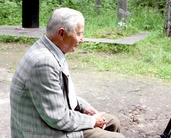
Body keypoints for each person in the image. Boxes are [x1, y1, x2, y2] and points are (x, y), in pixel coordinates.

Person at [10, 8, 125, 138]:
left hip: (49, 122)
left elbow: (59, 94)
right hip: (43, 131)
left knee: (112, 122)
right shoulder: (44, 62)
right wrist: (92, 121)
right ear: (61, 33)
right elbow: (58, 117)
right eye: (79, 34)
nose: (82, 39)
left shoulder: (48, 49)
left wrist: (84, 107)